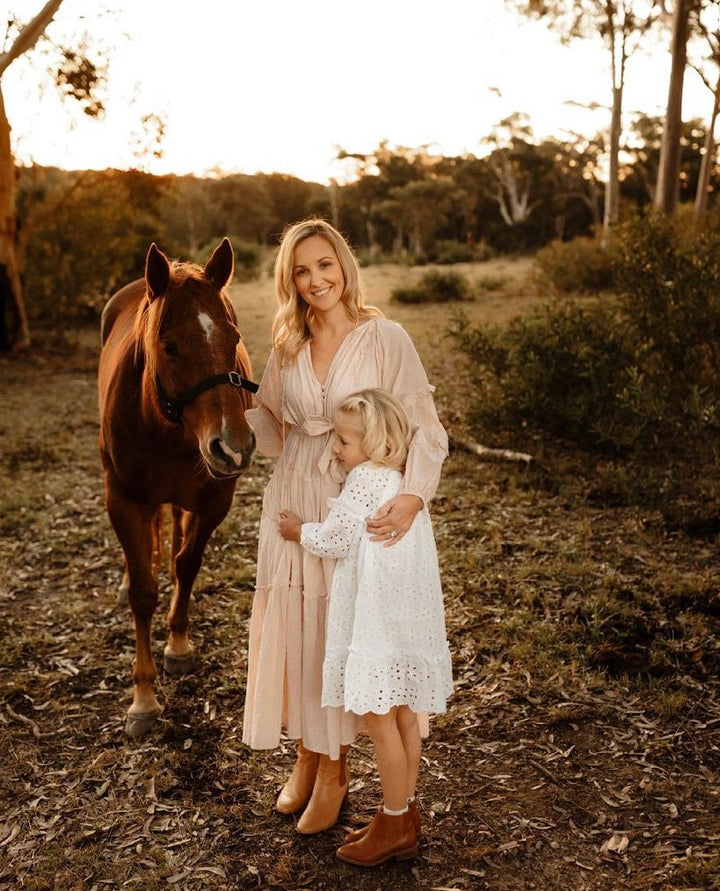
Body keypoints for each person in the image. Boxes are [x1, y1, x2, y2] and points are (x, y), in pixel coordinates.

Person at [242, 217, 448, 836]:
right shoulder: (285, 345)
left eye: (324, 265)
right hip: (295, 495)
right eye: (301, 271)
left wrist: (413, 496)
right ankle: (309, 755)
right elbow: (274, 434)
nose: (315, 281)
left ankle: (336, 771)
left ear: (344, 265)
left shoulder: (386, 338)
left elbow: (426, 429)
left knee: (340, 634)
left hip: (358, 508)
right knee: (301, 634)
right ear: (289, 280)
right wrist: (226, 403)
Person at [277, 389, 453, 866]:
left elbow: (336, 539)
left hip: (375, 622)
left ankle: (394, 822)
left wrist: (299, 530)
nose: (335, 448)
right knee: (403, 718)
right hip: (407, 621)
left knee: (379, 721)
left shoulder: (365, 479)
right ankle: (404, 812)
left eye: (344, 441)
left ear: (374, 445)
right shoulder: (399, 483)